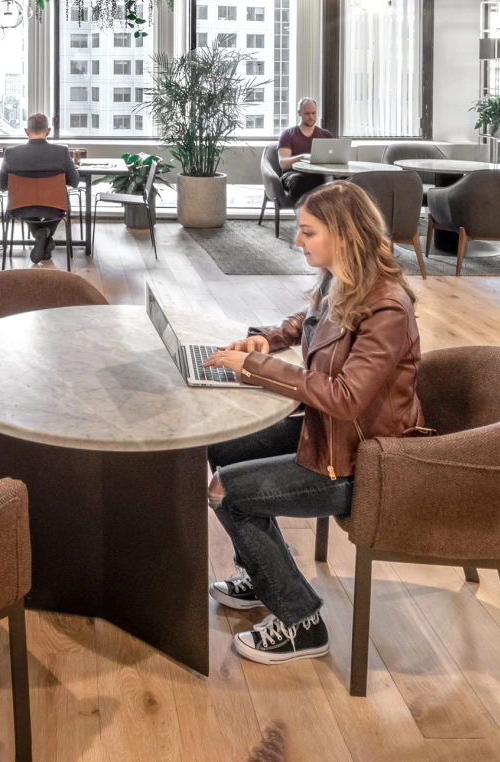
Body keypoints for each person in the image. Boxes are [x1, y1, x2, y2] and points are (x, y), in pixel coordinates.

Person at [200, 179, 424, 664]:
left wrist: (257, 369)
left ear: (342, 236)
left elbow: (344, 399)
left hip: (364, 465)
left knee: (227, 491)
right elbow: (309, 320)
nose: (297, 241)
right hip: (331, 440)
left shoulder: (386, 307)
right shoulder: (345, 283)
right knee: (226, 445)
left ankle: (301, 622)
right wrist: (265, 341)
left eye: (307, 232)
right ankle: (262, 573)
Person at [0, 113, 77, 266]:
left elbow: (1, 186)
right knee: (58, 205)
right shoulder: (62, 152)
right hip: (55, 207)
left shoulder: (11, 153)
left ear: (27, 131)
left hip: (20, 207)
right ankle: (45, 233)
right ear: (48, 131)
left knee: (28, 205)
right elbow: (74, 182)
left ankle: (40, 235)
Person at [276, 97, 333, 198]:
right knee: (299, 180)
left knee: (346, 180)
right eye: (307, 113)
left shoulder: (326, 135)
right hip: (293, 174)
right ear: (299, 113)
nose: (311, 117)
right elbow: (283, 163)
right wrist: (303, 157)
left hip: (318, 174)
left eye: (313, 113)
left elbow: (334, 158)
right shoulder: (288, 134)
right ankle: (302, 213)